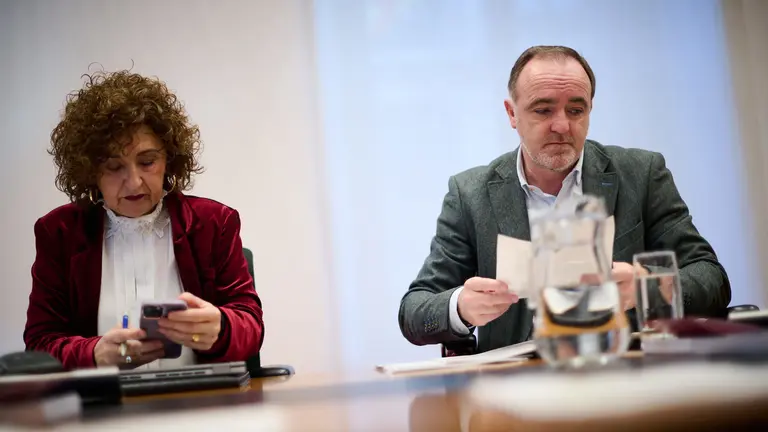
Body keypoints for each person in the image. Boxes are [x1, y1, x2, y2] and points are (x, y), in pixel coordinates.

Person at [399, 45, 731, 352]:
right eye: (543, 110)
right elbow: (414, 312)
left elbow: (712, 279)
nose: (562, 126)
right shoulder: (470, 194)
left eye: (576, 110)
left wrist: (651, 288)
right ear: (512, 114)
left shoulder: (641, 174)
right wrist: (460, 307)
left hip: (625, 372)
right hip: (517, 393)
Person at [24, 70, 264, 370]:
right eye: (113, 167)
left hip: (199, 403)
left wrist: (222, 328)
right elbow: (39, 343)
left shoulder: (214, 223)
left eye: (148, 161)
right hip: (101, 411)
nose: (135, 182)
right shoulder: (59, 233)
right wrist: (96, 353)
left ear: (169, 158)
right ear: (88, 171)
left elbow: (250, 325)